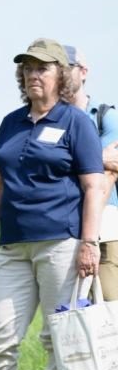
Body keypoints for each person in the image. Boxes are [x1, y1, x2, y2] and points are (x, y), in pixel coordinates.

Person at [0, 39, 105, 370]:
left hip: (61, 243)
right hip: (13, 246)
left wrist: (89, 242)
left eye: (42, 68)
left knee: (58, 337)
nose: (33, 74)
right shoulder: (10, 123)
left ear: (61, 74)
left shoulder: (75, 121)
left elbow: (93, 185)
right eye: (28, 68)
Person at [65, 45, 118, 301]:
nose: (61, 75)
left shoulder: (106, 118)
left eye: (67, 68)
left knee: (109, 310)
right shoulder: (50, 119)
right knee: (73, 316)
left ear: (83, 71)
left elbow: (111, 170)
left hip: (105, 229)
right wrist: (97, 158)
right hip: (63, 229)